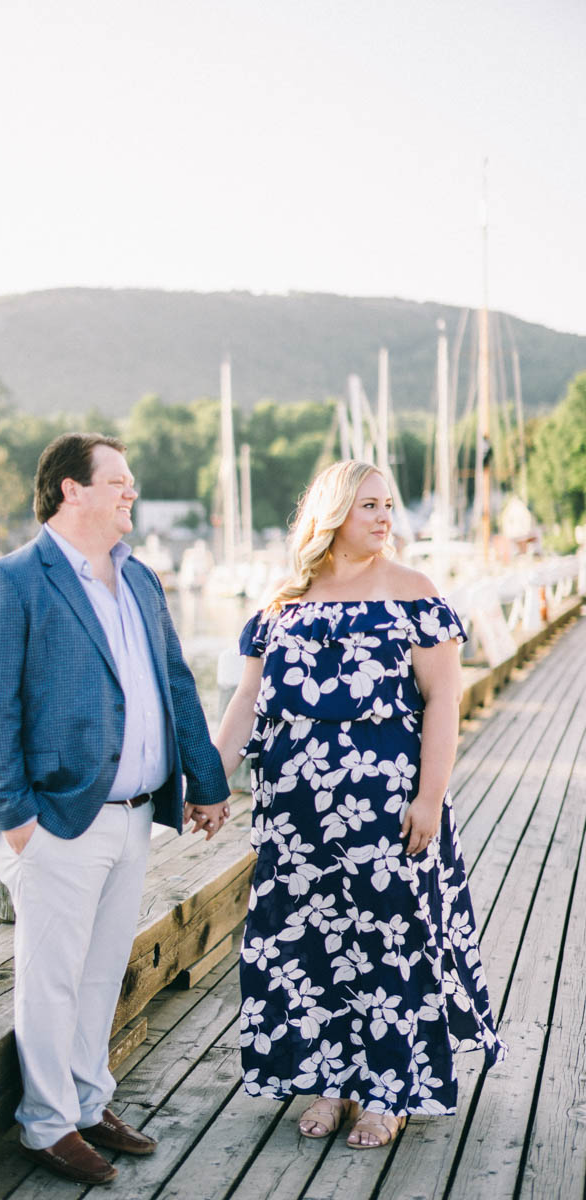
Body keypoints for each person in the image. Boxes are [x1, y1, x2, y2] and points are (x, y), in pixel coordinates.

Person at [0, 432, 230, 1185]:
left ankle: (85, 1101)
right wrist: (17, 821)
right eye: (118, 481)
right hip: (56, 819)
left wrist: (205, 781)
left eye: (131, 483)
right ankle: (45, 1126)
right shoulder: (10, 581)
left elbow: (175, 684)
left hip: (136, 814)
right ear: (70, 490)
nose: (131, 493)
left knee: (101, 968)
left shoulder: (140, 579)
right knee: (49, 976)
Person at [216, 460, 506, 1149]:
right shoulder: (286, 600)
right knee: (311, 950)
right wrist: (206, 781)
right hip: (295, 819)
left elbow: (443, 699)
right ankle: (326, 1083)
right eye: (369, 505)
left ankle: (387, 1091)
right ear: (333, 512)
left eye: (388, 505)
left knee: (387, 947)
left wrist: (430, 796)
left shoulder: (413, 592)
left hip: (386, 810)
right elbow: (245, 703)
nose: (384, 517)